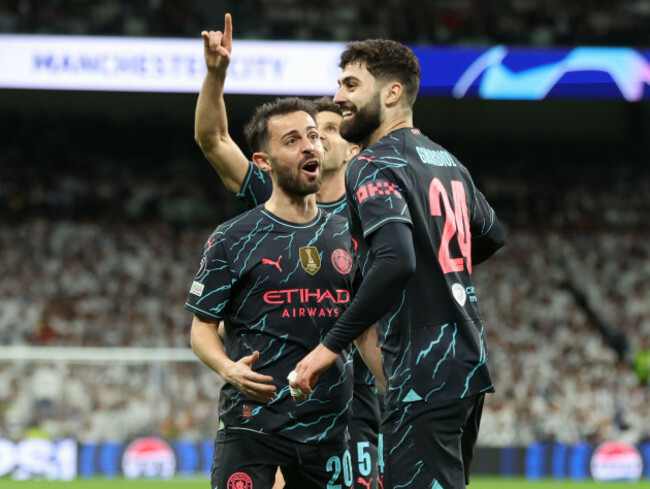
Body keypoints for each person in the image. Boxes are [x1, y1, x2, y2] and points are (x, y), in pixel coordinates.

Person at [289, 39, 506, 489]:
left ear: (390, 93)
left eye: (351, 84)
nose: (339, 97)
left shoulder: (371, 163)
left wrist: (328, 348)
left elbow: (395, 260)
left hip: (422, 368)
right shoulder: (447, 161)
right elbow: (491, 234)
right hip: (465, 360)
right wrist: (440, 269)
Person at [196, 14, 383, 489]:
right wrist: (216, 74)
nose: (314, 142)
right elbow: (213, 140)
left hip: (346, 413)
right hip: (260, 418)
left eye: (322, 134)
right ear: (267, 158)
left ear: (349, 147)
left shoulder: (363, 219)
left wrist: (398, 391)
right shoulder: (252, 216)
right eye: (296, 138)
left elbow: (371, 323)